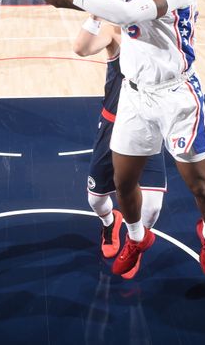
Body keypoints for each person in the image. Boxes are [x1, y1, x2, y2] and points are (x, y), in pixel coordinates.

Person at [0, 0, 205, 278]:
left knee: (199, 185)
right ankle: (136, 238)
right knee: (123, 179)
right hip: (134, 96)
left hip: (176, 96)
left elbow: (131, 14)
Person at [73, 15, 167, 279]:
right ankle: (108, 223)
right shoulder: (116, 34)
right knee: (95, 200)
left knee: (152, 208)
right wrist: (93, 15)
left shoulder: (166, 41)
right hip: (113, 127)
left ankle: (134, 245)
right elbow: (80, 48)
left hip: (147, 128)